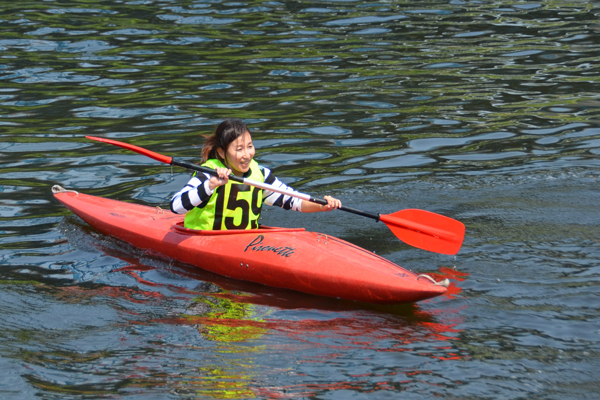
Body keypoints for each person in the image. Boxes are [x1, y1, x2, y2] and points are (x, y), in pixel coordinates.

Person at [170, 119, 342, 230]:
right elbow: (176, 206)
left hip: (246, 243)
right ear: (222, 153)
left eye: (250, 146)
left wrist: (321, 205)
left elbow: (293, 200)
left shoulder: (260, 174)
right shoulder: (208, 174)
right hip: (204, 241)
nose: (247, 155)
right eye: (239, 149)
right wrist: (211, 185)